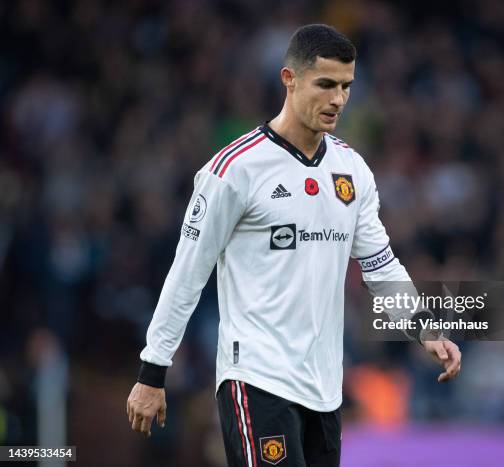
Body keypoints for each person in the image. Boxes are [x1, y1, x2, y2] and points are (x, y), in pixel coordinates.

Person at [126, 24, 461, 467]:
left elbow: (380, 265)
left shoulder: (352, 170)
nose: (338, 99)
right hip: (256, 380)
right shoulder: (233, 170)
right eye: (325, 84)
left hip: (324, 389)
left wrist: (426, 329)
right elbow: (187, 274)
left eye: (346, 86)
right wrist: (153, 371)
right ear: (290, 79)